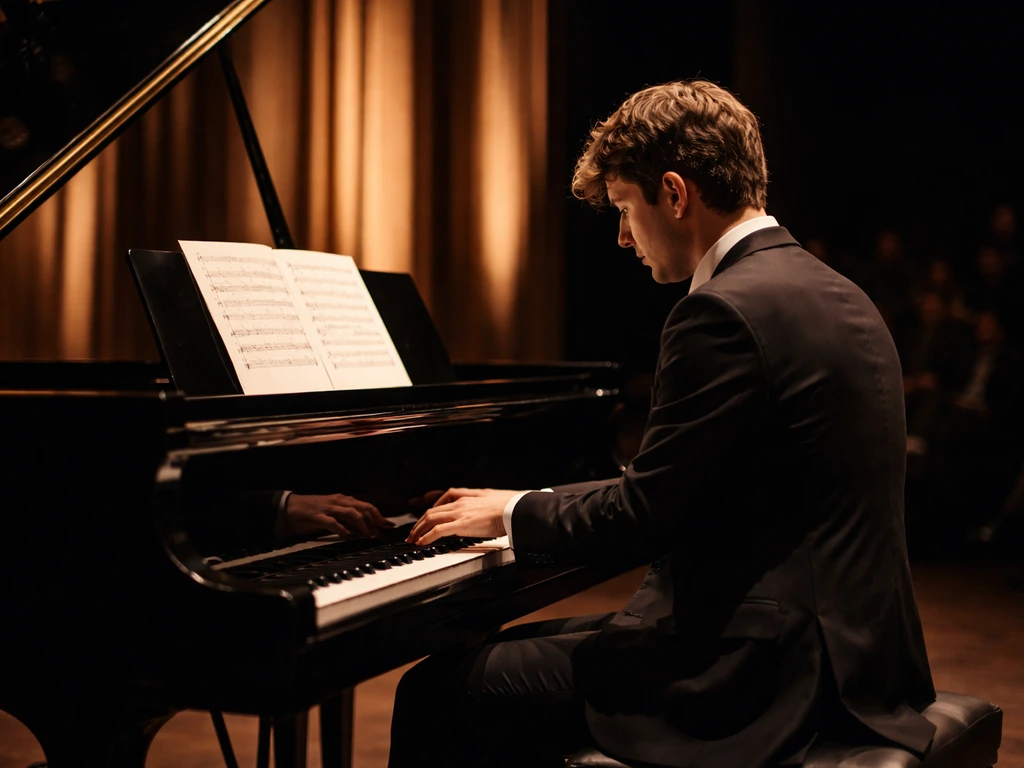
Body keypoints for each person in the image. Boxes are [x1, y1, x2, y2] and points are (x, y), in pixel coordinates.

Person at [390, 79, 936, 768]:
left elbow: (644, 515)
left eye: (625, 208)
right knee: (506, 654)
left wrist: (512, 514)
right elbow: (683, 488)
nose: (622, 237)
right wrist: (524, 503)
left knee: (439, 690)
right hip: (857, 656)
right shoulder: (838, 293)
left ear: (675, 195)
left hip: (760, 675)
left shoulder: (721, 313)